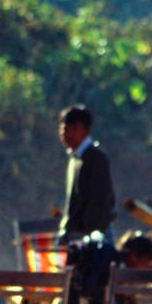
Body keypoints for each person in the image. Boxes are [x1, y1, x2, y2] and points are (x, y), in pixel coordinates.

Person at [58, 105, 115, 245]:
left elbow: (100, 202)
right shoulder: (74, 159)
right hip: (76, 236)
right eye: (64, 129)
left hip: (92, 239)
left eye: (72, 129)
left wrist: (89, 238)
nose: (66, 134)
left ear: (86, 130)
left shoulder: (96, 158)